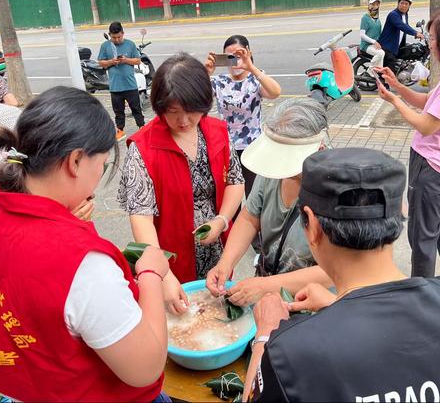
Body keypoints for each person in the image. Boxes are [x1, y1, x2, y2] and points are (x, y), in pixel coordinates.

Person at [0, 86, 170, 402]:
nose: (99, 173)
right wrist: (153, 274)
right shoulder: (83, 264)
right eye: (101, 163)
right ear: (75, 161)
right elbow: (144, 368)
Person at [246, 147, 440, 402]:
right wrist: (335, 303)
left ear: (312, 225)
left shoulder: (291, 352)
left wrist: (265, 335)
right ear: (399, 214)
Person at [118, 53, 244, 314]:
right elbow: (141, 217)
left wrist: (221, 221)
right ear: (160, 106)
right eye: (173, 113)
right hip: (170, 255)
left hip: (217, 248)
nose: (184, 121)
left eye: (191, 111)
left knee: (217, 316)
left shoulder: (217, 131)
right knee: (180, 320)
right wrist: (162, 273)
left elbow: (235, 181)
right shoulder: (143, 148)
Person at [206, 98, 332, 307]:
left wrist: (265, 286)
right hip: (267, 289)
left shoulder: (339, 189)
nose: (281, 166)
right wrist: (225, 262)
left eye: (289, 158)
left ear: (319, 148)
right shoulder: (271, 171)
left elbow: (336, 270)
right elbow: (249, 217)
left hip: (312, 305)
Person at [375, 12, 440, 278]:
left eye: (433, 37)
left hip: (430, 169)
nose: (430, 42)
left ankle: (420, 298)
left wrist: (394, 101)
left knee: (422, 238)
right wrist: (396, 86)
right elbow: (427, 102)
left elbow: (426, 125)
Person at [205, 35, 281, 199]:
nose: (235, 61)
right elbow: (195, 99)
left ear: (248, 53)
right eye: (229, 57)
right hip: (226, 148)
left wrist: (251, 68)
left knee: (253, 194)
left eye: (239, 56)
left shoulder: (256, 79)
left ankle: (253, 224)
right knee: (230, 195)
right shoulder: (218, 81)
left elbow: (275, 92)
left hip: (252, 148)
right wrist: (205, 74)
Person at [98, 21, 145, 141]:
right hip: (115, 86)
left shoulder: (130, 44)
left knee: (136, 108)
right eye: (114, 37)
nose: (117, 40)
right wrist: (111, 62)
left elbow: (138, 61)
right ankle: (120, 130)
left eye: (119, 37)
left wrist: (125, 60)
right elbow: (101, 63)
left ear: (123, 33)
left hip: (130, 85)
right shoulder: (105, 46)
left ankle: (141, 127)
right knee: (118, 111)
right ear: (109, 35)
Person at [378, 0, 424, 71]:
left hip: (397, 45)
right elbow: (401, 26)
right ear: (398, 4)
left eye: (406, 4)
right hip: (388, 46)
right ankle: (386, 82)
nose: (404, 5)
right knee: (390, 66)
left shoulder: (405, 14)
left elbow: (406, 25)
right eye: (402, 3)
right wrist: (415, 33)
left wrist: (416, 32)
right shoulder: (393, 14)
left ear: (409, 6)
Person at [359, 0, 385, 75]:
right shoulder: (365, 18)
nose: (375, 6)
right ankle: (370, 71)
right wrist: (374, 42)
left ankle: (378, 75)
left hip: (375, 44)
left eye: (377, 4)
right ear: (369, 5)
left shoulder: (377, 18)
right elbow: (362, 35)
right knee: (380, 53)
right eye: (373, 4)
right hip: (366, 45)